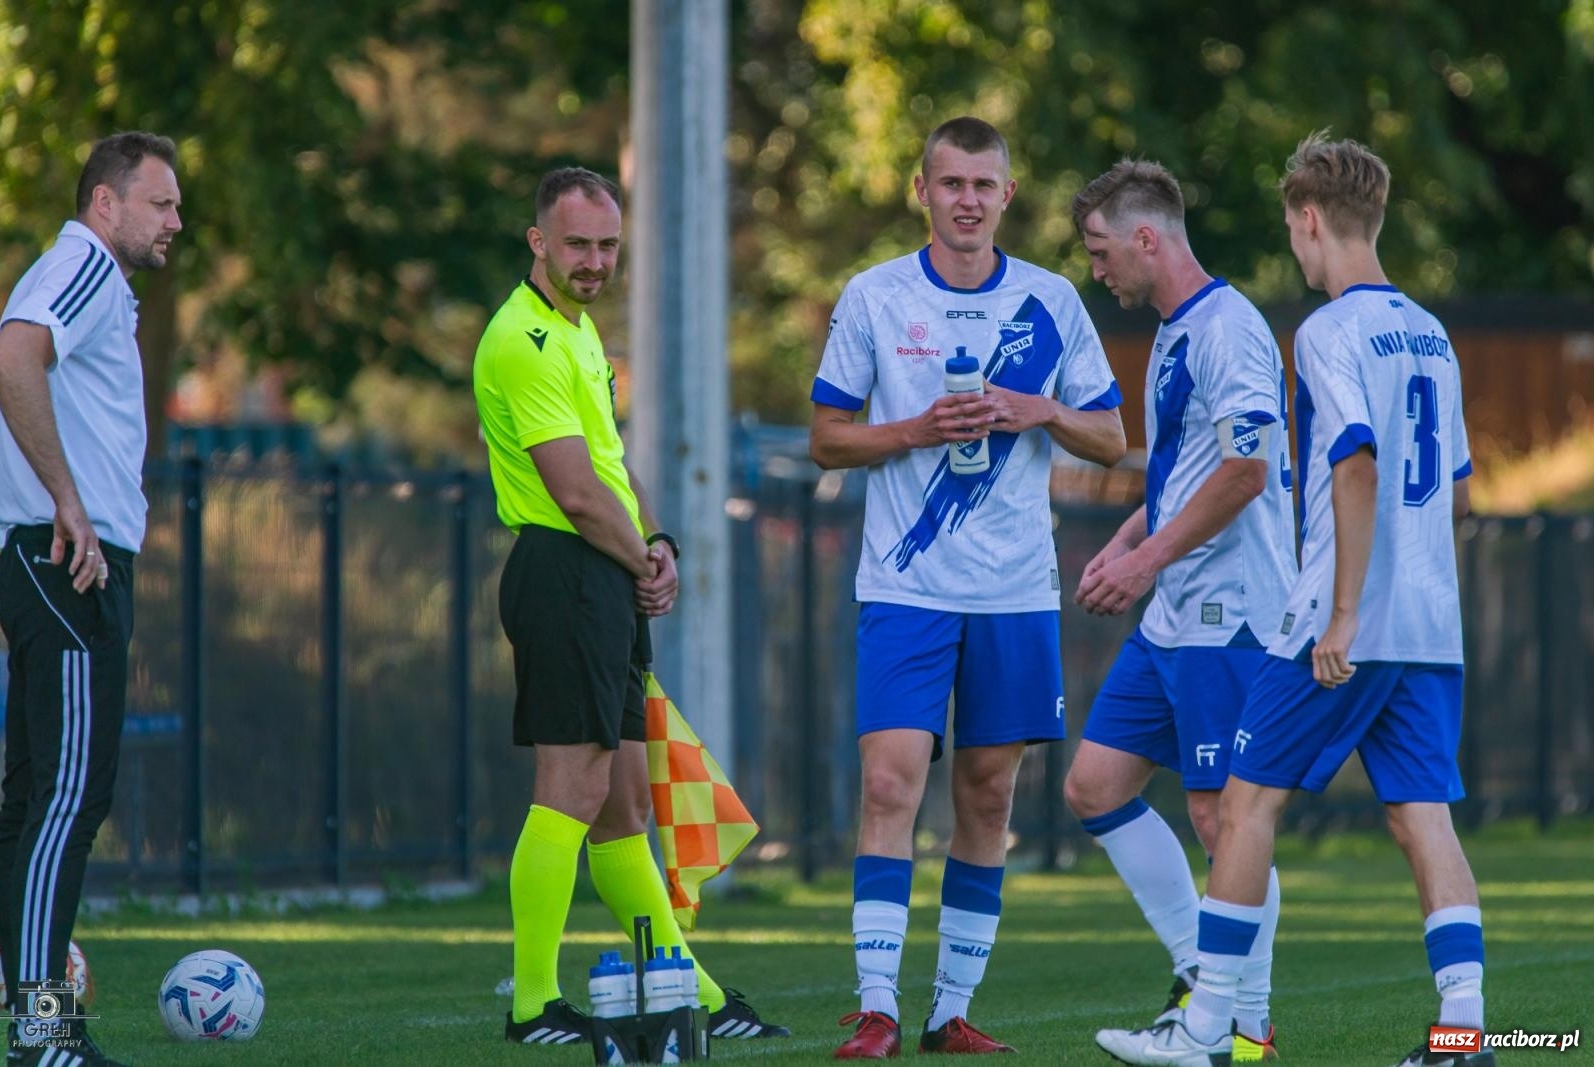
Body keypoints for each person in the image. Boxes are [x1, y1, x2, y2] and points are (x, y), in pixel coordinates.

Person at [1096, 133, 1487, 1067]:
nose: (1296, 248)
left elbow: (1351, 461)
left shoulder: (1326, 331)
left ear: (1310, 220)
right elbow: (1462, 492)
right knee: (1421, 816)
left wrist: (1346, 612)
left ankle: (1210, 1026)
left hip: (1337, 624)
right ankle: (1466, 1033)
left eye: (1292, 229)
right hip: (1432, 623)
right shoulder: (1431, 332)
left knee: (1244, 807)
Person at [809, 116, 1127, 1058]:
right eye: (951, 184)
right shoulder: (875, 296)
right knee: (888, 779)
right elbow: (828, 437)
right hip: (906, 587)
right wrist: (915, 429)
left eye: (985, 185)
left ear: (1008, 195)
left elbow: (1110, 438)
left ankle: (950, 1009)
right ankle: (877, 1005)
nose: (968, 201)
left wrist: (1037, 408)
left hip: (1015, 589)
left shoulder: (1053, 301)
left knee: (988, 796)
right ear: (922, 190)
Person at [473, 166, 786, 1047]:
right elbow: (572, 492)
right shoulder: (522, 340)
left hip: (603, 574)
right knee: (568, 791)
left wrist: (660, 544)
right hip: (564, 572)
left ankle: (696, 990)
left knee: (624, 811)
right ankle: (533, 1001)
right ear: (539, 241)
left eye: (608, 245)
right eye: (578, 243)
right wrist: (636, 555)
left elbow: (610, 463)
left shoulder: (579, 334)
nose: (595, 260)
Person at [1062, 160, 1296, 1063]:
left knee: (1220, 816)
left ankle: (1243, 1021)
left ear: (1147, 238)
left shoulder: (1229, 327)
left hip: (1231, 613)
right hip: (1176, 614)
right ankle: (1212, 979)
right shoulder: (1174, 330)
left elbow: (1244, 472)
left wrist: (1147, 561)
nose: (1097, 268)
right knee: (1095, 785)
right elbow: (1186, 475)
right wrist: (1129, 544)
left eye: (1100, 249)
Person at [0, 130, 183, 1067]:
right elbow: (14, 355)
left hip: (60, 557)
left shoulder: (99, 283)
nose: (175, 220)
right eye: (161, 202)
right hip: (67, 559)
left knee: (37, 796)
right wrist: (66, 501)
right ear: (105, 204)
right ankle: (42, 1033)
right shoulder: (84, 268)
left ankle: (39, 1025)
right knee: (67, 796)